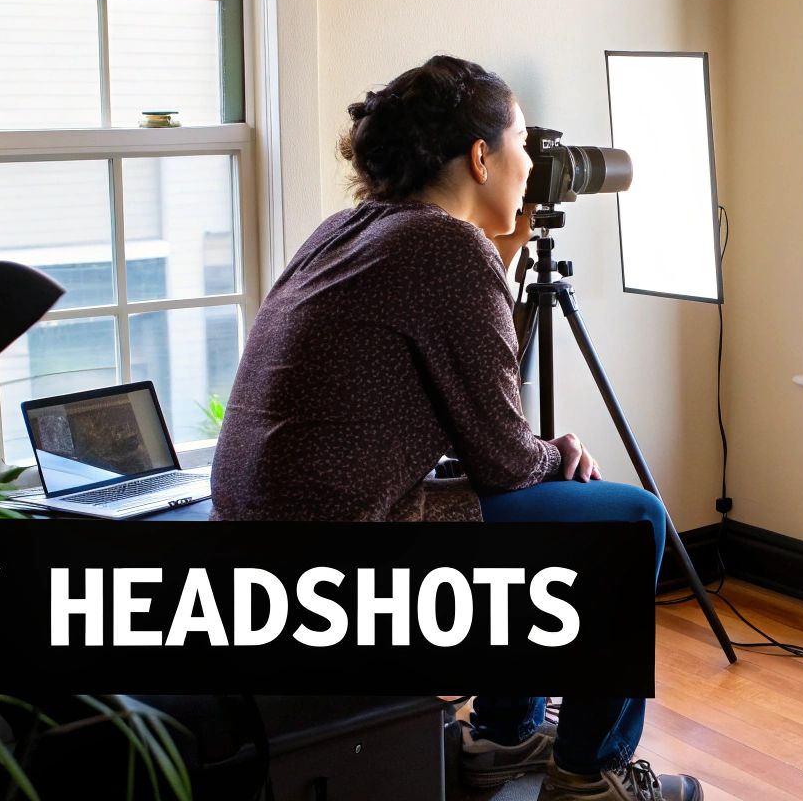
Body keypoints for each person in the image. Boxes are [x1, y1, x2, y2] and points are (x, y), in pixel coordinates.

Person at [211, 55, 702, 801]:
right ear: (481, 157)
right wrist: (556, 451)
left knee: (517, 513)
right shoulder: (445, 248)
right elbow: (503, 459)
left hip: (264, 540)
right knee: (629, 521)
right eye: (521, 147)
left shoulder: (349, 231)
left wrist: (496, 268)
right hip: (344, 566)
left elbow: (439, 421)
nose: (530, 165)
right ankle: (589, 775)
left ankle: (504, 740)